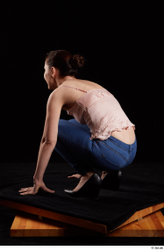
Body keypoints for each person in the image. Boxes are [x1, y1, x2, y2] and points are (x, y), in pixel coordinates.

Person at [19, 50, 137, 198]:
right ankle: (110, 174)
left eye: (44, 70)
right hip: (131, 150)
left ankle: (87, 175)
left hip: (113, 155)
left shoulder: (59, 93)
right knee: (75, 124)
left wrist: (37, 180)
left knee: (57, 128)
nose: (44, 75)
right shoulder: (91, 84)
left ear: (53, 71)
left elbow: (48, 141)